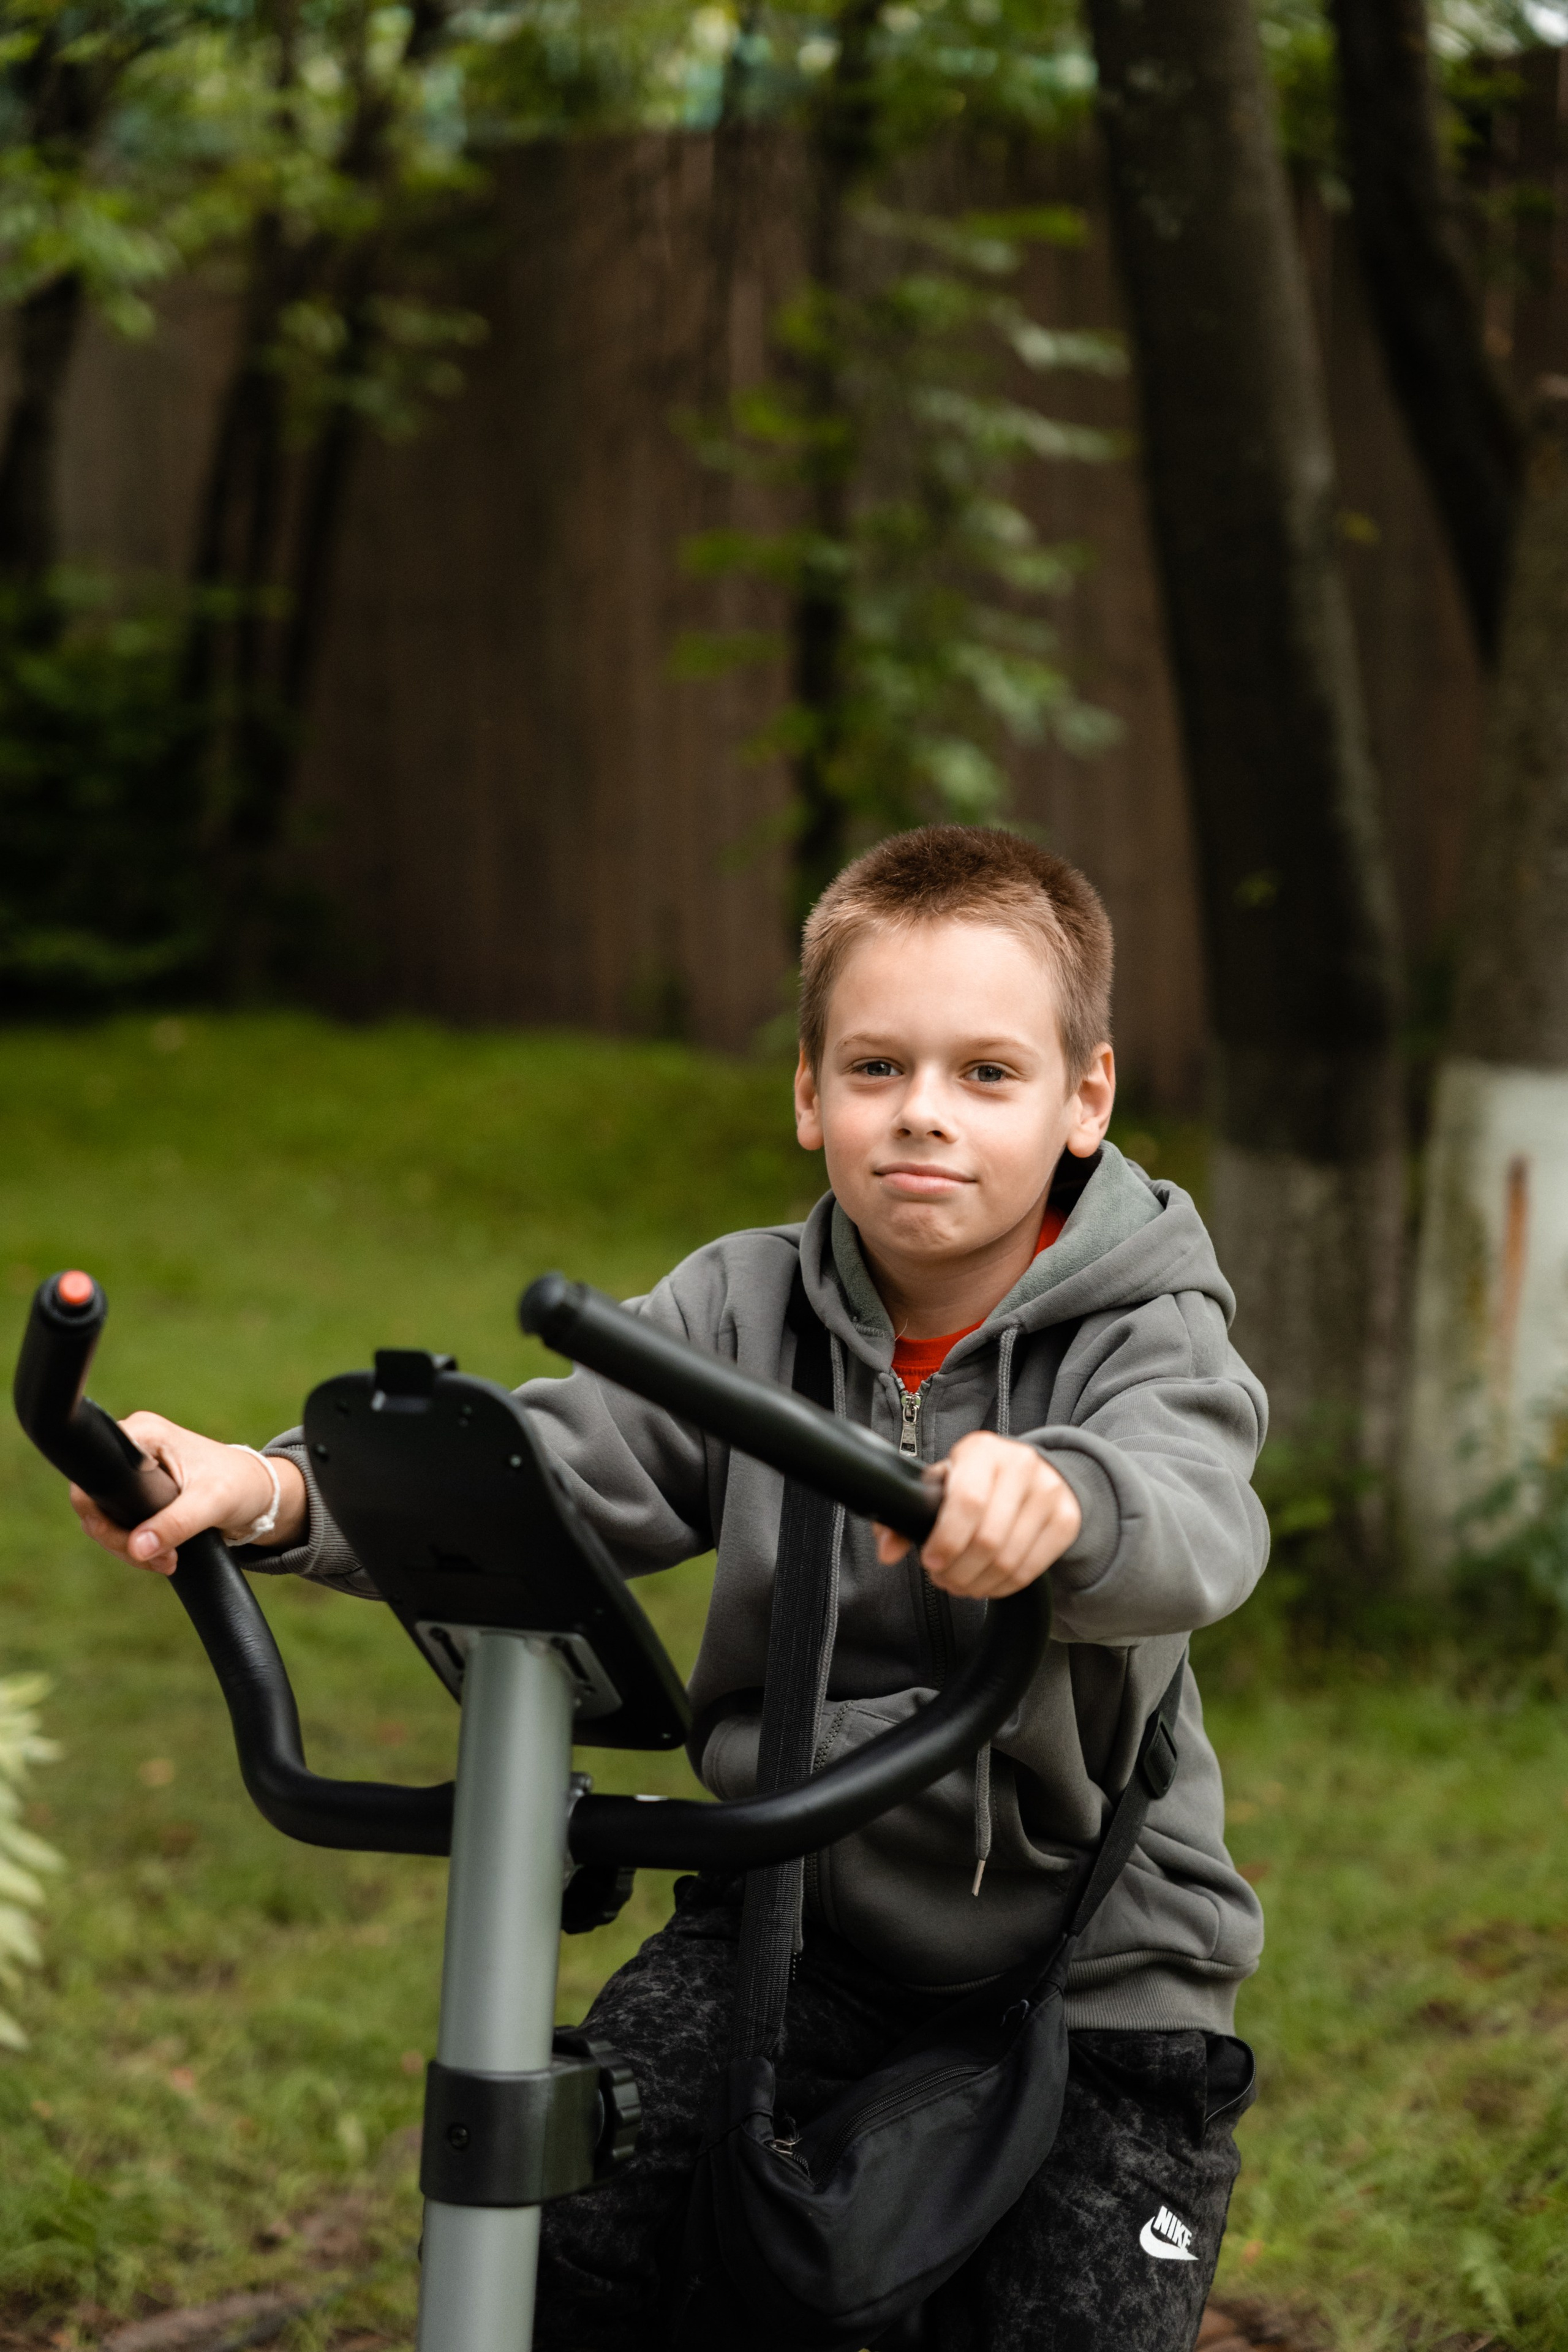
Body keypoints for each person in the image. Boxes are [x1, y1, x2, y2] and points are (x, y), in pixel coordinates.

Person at [72, 826, 1268, 2352]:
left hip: (1094, 1978)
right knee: (585, 2208)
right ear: (805, 1092)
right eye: (874, 1068)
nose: (923, 1118)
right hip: (796, 1922)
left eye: (986, 1074)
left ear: (1082, 1099)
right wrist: (273, 1487)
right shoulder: (741, 1307)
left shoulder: (1146, 1327)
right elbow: (560, 1465)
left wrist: (1063, 1502)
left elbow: (1194, 1516)